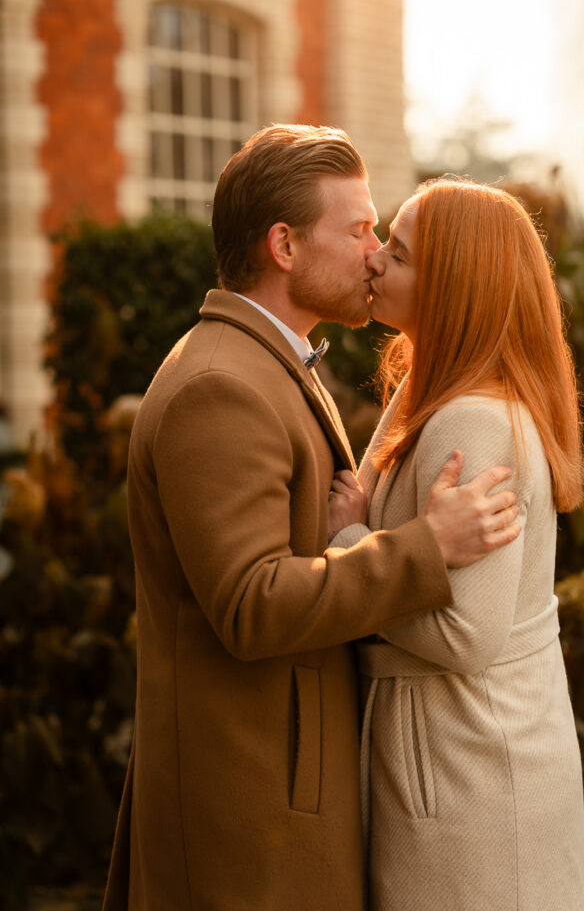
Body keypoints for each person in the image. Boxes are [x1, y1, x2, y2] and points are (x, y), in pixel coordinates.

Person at [103, 127, 521, 911]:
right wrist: (423, 547)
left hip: (280, 801)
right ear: (284, 245)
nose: (375, 254)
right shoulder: (220, 387)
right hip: (248, 821)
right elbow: (251, 604)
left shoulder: (267, 361)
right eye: (359, 230)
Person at [329, 177, 584, 911]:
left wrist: (347, 538)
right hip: (459, 757)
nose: (375, 258)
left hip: (472, 773)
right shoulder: (434, 388)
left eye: (399, 253)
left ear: (453, 287)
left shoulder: (471, 421)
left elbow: (467, 635)